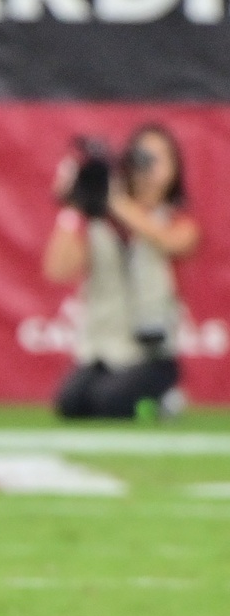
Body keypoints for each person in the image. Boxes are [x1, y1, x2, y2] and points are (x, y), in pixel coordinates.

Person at [43, 123, 200, 419]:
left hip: (151, 351)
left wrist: (114, 201)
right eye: (142, 157)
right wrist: (74, 208)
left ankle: (163, 400)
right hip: (102, 348)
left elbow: (170, 241)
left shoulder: (176, 219)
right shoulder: (100, 221)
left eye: (158, 158)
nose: (148, 168)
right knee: (72, 405)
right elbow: (57, 270)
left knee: (109, 403)